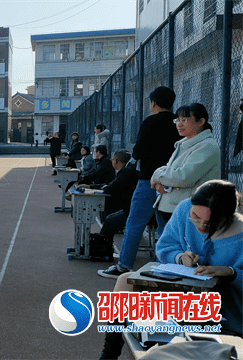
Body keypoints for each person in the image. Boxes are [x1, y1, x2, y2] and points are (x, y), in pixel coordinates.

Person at [98, 180, 243, 358]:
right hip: (184, 298)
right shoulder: (184, 209)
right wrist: (179, 257)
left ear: (227, 217)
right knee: (125, 281)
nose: (200, 226)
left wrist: (231, 272)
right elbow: (165, 246)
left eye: (210, 223)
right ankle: (108, 355)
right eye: (196, 217)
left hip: (226, 310)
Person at [99, 86, 181, 279]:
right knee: (165, 227)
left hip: (149, 180)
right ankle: (165, 268)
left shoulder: (150, 122)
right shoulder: (179, 123)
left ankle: (124, 266)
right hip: (172, 182)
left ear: (153, 103)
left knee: (135, 223)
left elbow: (139, 151)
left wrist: (137, 153)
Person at [150, 102, 221, 234]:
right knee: (168, 250)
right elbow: (170, 170)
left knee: (184, 251)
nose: (179, 124)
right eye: (178, 120)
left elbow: (183, 177)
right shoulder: (184, 143)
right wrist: (161, 177)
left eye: (185, 120)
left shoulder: (207, 146)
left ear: (201, 122)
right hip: (170, 207)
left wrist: (157, 176)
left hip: (189, 211)